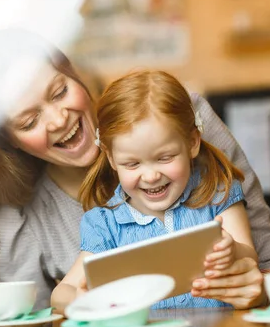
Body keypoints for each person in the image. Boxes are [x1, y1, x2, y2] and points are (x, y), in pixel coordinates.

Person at [0, 28, 270, 312]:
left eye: (60, 92)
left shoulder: (182, 123)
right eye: (29, 121)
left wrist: (259, 288)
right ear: (9, 141)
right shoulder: (34, 209)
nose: (59, 120)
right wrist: (78, 306)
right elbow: (25, 326)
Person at [51, 70, 258, 312]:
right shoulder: (105, 224)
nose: (150, 176)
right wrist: (80, 300)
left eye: (165, 158)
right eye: (132, 164)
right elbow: (60, 294)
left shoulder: (217, 190)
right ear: (111, 158)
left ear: (192, 142)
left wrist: (233, 250)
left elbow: (250, 257)